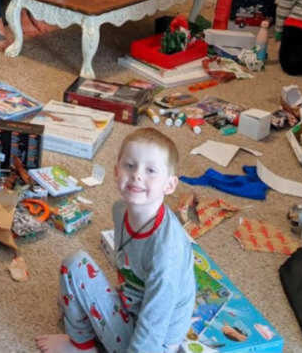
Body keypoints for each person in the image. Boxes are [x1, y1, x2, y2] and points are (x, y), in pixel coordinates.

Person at [36, 127, 196, 353]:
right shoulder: (120, 210)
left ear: (169, 185)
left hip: (156, 341)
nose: (137, 175)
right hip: (133, 302)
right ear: (116, 171)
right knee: (73, 266)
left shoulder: (167, 251)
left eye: (151, 170)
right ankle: (87, 339)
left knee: (77, 274)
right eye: (130, 165)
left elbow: (154, 324)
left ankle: (82, 347)